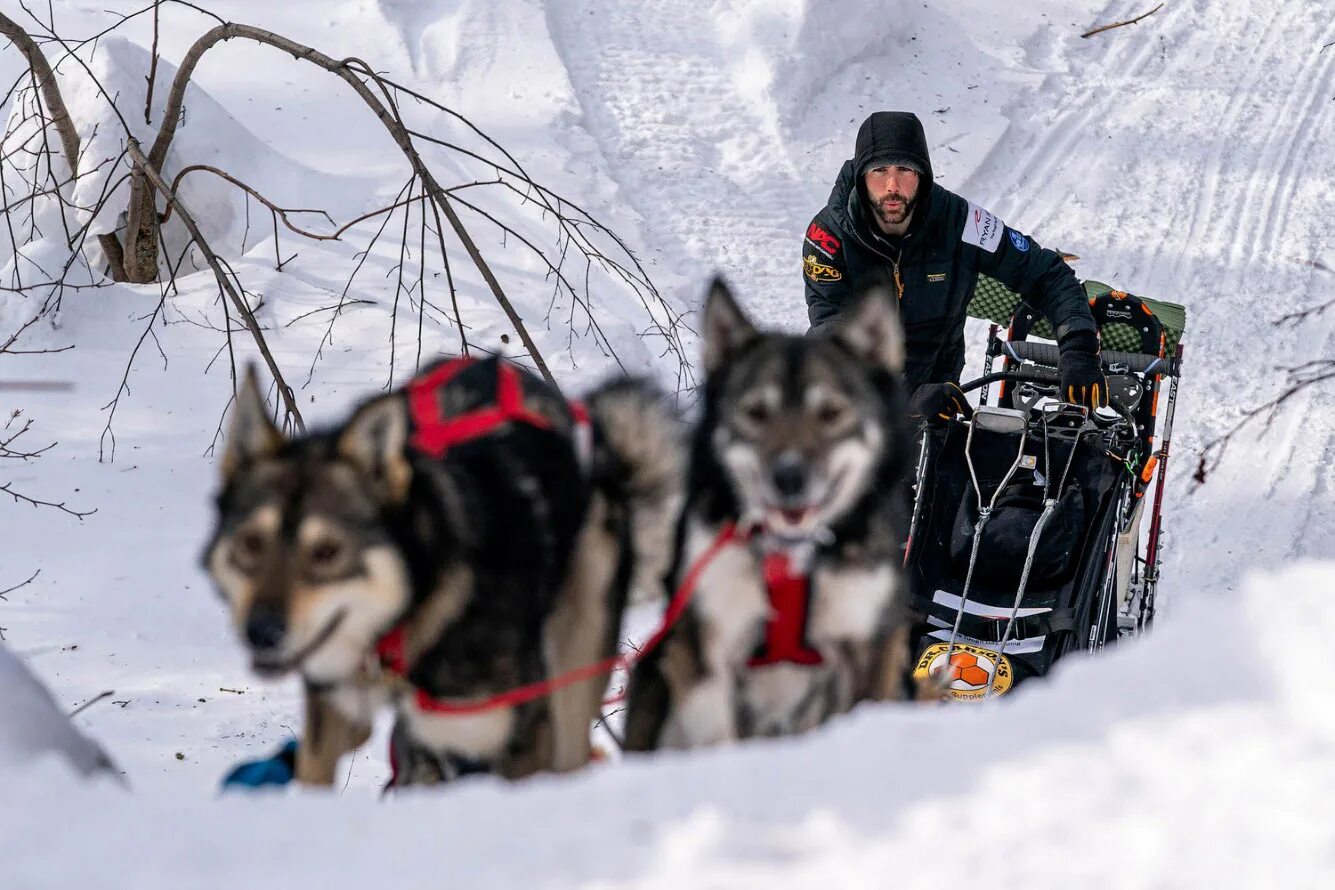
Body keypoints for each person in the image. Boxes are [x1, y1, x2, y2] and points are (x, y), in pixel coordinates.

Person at [803, 111, 1106, 420]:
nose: (892, 185)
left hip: (938, 403)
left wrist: (1078, 346)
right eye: (879, 169)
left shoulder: (960, 221)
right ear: (861, 175)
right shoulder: (828, 237)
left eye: (905, 169)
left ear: (923, 174)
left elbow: (1046, 272)